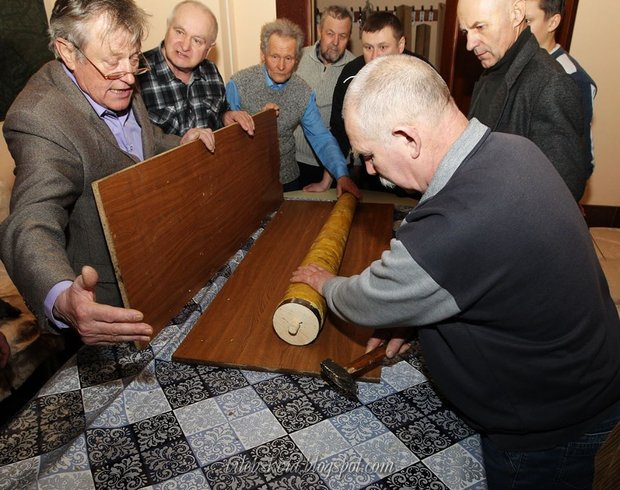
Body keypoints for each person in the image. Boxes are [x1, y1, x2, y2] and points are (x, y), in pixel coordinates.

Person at [291, 54, 620, 489]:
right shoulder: (514, 148)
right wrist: (413, 320)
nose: (369, 169)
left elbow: (367, 300)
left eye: (369, 155)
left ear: (408, 138)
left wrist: (326, 283)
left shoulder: (455, 224)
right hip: (590, 379)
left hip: (550, 428)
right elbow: (487, 278)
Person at [0, 0, 217, 346]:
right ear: (68, 52)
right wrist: (61, 297)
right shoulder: (39, 117)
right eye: (113, 62)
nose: (129, 76)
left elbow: (141, 140)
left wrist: (181, 142)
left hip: (157, 261)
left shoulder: (114, 78)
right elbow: (31, 219)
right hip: (106, 299)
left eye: (134, 58)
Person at [458, 0, 588, 201]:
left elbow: (563, 190)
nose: (469, 44)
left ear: (517, 13)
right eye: (466, 31)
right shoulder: (491, 72)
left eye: (480, 27)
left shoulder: (551, 82)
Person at [225, 18, 359, 197]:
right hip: (247, 181)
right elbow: (227, 139)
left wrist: (341, 174)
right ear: (263, 54)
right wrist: (261, 121)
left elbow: (320, 137)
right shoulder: (239, 84)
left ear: (296, 60)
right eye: (275, 57)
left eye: (288, 58)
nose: (281, 66)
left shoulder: (302, 91)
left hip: (288, 180)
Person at [329, 11, 429, 191]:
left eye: (383, 47)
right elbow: (338, 131)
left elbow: (433, 134)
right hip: (370, 177)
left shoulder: (423, 74)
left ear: (400, 45)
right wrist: (334, 176)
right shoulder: (350, 76)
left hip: (415, 179)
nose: (374, 57)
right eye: (368, 48)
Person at [138, 1, 254, 137]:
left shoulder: (211, 71)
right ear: (168, 27)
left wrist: (226, 117)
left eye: (197, 40)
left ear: (208, 49)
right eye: (180, 32)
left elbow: (220, 114)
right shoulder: (137, 73)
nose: (185, 46)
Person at [524, 0, 597, 178]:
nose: (518, 28)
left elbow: (581, 158)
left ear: (553, 22)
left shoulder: (573, 78)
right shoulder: (518, 63)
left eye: (527, 21)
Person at [293, 5, 354, 189]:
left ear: (349, 37)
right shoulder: (296, 58)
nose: (335, 42)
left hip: (337, 164)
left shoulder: (355, 69)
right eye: (330, 33)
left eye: (342, 36)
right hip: (295, 160)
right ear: (319, 30)